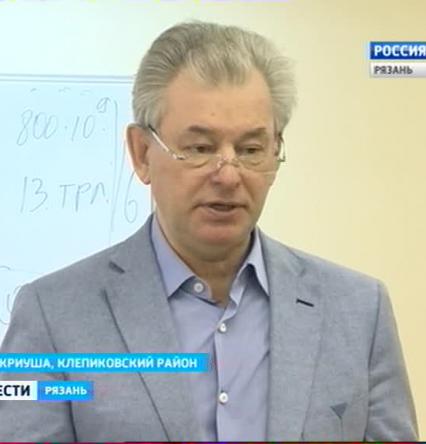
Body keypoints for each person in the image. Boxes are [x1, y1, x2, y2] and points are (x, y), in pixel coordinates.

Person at [0, 21, 417, 441]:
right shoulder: (53, 315)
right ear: (142, 153)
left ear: (276, 152)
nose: (228, 174)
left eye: (250, 150)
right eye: (200, 148)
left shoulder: (359, 311)